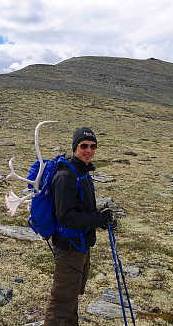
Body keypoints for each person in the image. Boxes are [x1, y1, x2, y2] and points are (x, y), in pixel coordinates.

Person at [44, 127, 116, 326]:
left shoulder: (82, 172)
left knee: (71, 296)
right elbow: (66, 216)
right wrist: (98, 220)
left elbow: (82, 209)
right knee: (61, 302)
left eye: (93, 146)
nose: (89, 150)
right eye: (84, 146)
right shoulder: (66, 176)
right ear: (75, 147)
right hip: (69, 248)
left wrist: (103, 217)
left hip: (79, 245)